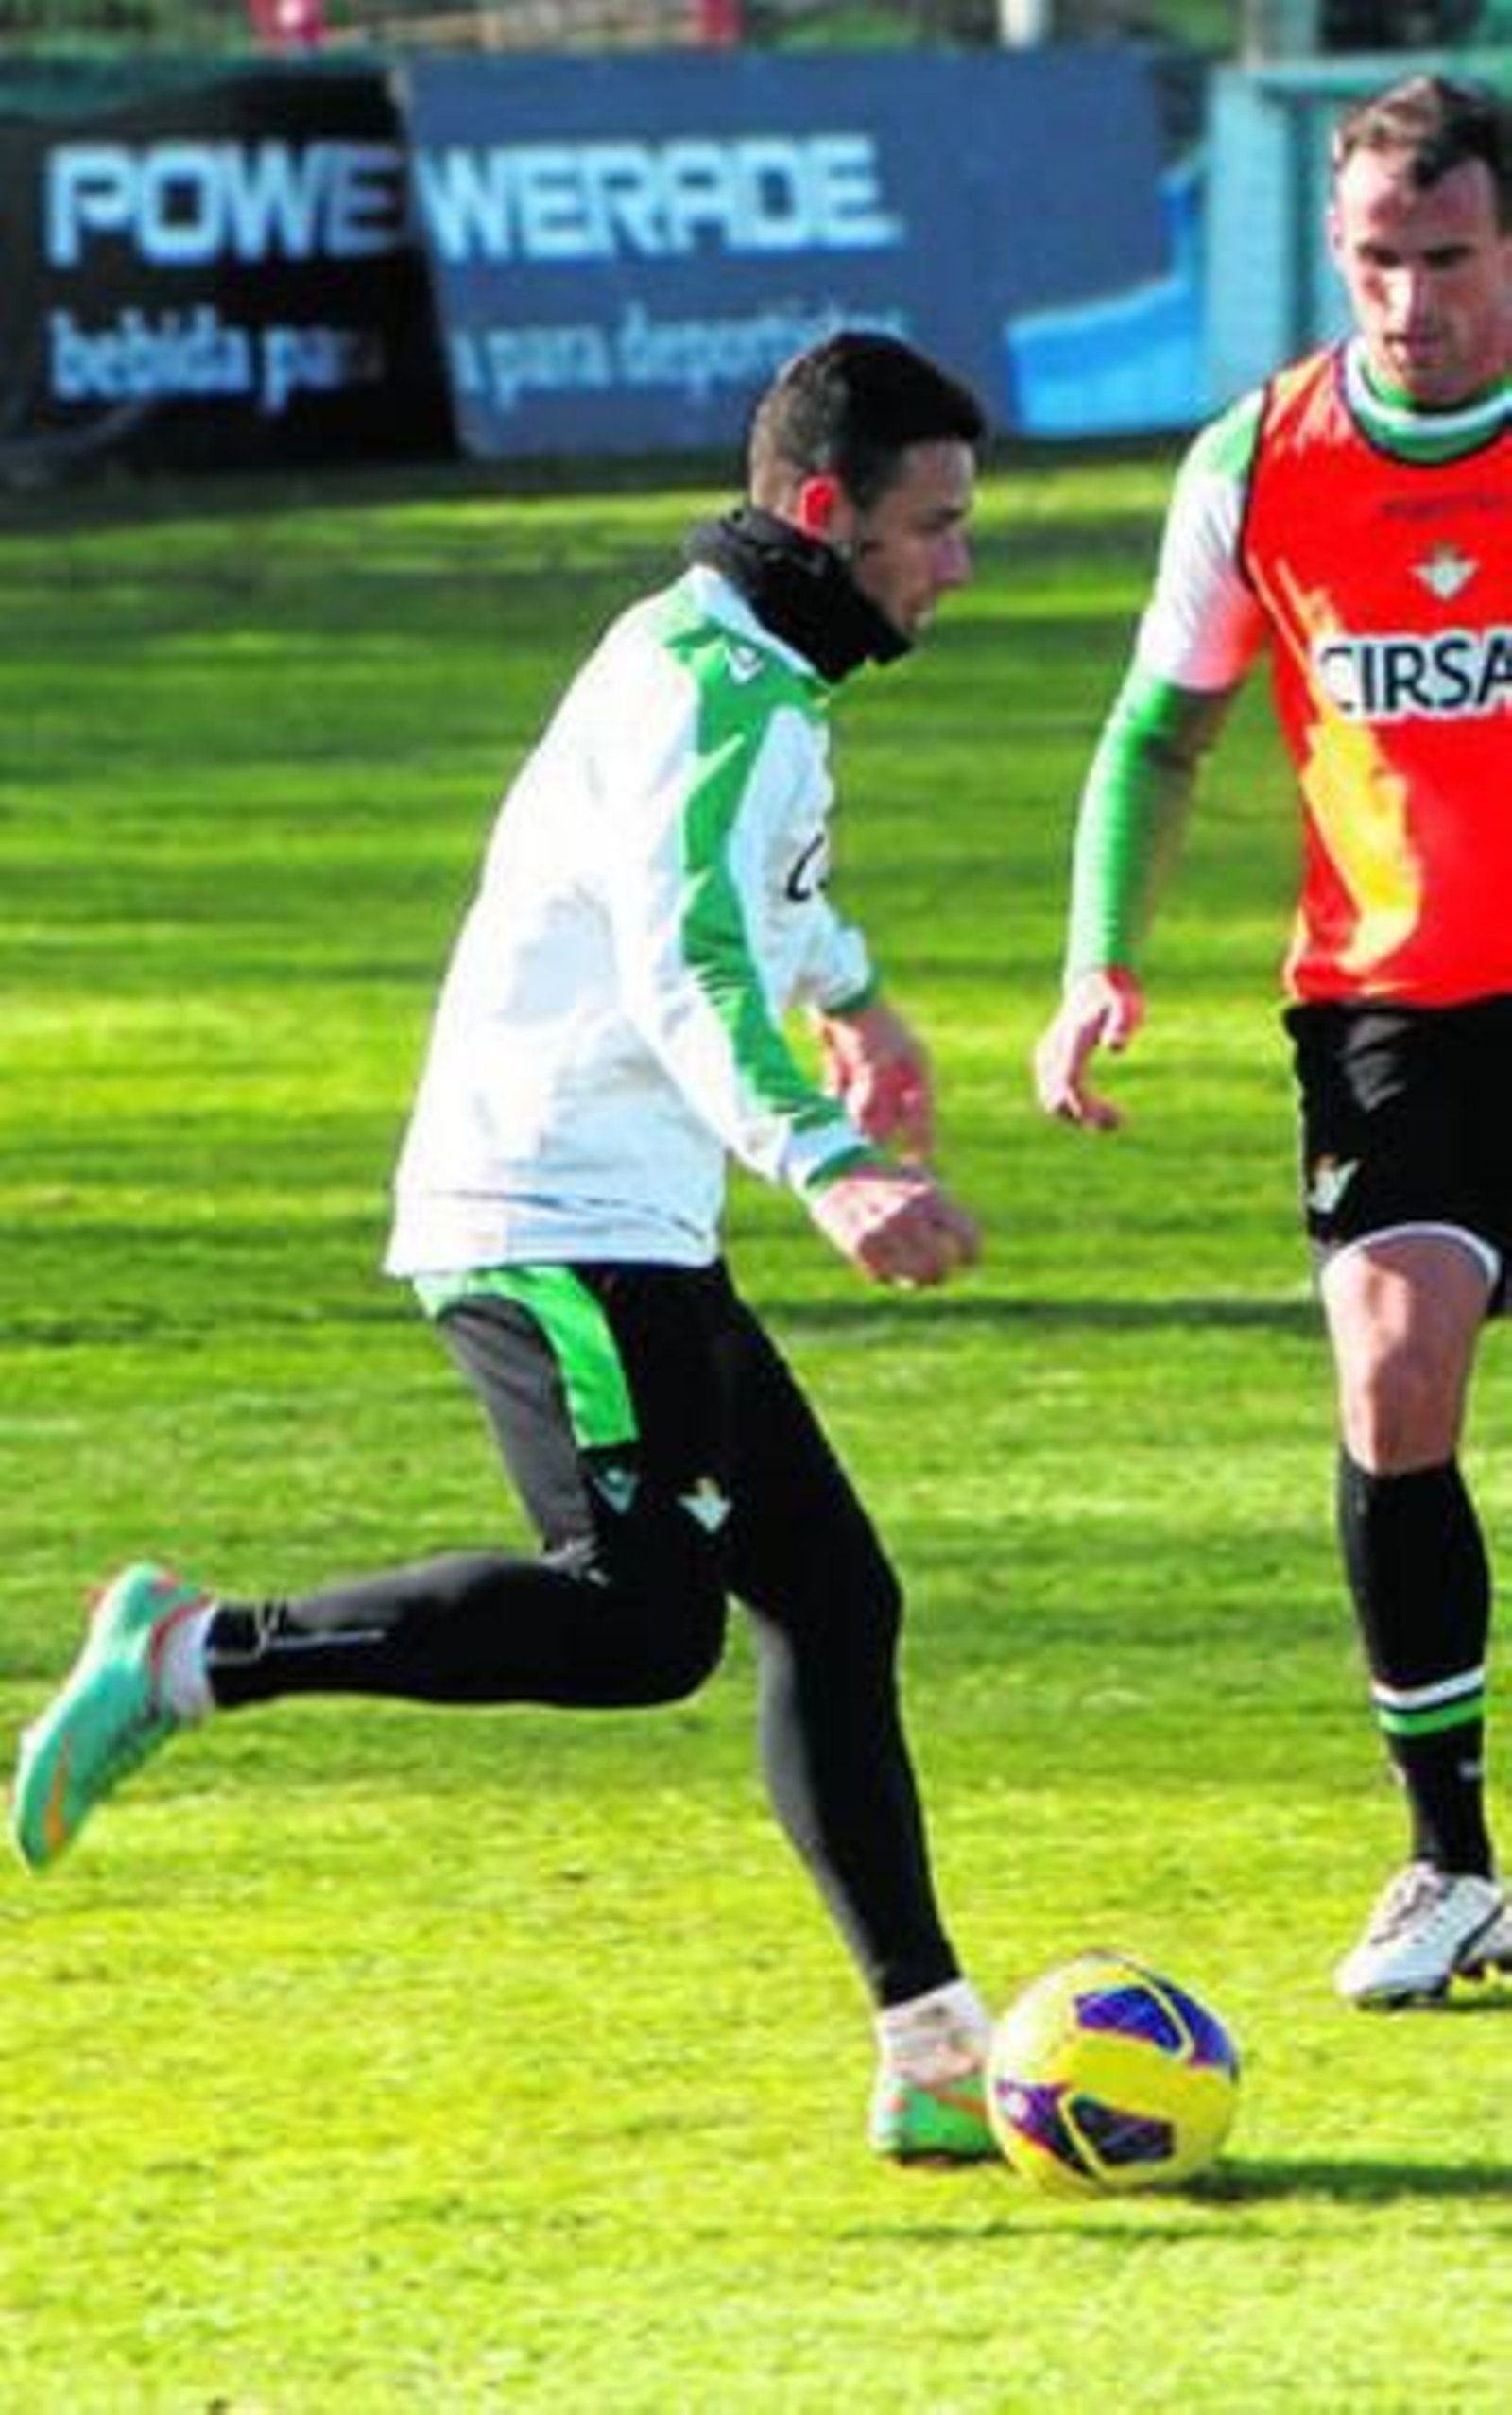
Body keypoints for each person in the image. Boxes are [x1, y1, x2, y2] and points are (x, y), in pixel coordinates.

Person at [12, 332, 1002, 2160]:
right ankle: (183, 1656)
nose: (957, 563)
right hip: (553, 1211)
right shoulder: (726, 693)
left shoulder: (733, 655)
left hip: (624, 1215)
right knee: (639, 1625)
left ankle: (936, 2059)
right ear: (821, 512)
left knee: (834, 1604)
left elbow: (743, 893)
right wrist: (833, 1162)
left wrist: (857, 989)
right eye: (933, 528)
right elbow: (686, 961)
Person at [1034, 72, 1512, 2010]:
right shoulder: (1255, 462)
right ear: (1333, 251)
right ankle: (1449, 1864)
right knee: (1391, 1379)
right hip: (1389, 1009)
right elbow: (1160, 731)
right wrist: (1093, 961)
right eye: (1378, 261)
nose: (1410, 301)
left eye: (1449, 257)